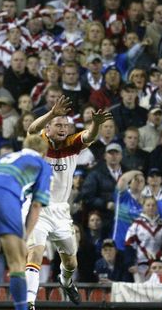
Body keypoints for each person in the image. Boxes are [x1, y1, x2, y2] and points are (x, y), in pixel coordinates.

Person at [24, 96, 113, 308]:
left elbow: (89, 135)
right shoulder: (41, 142)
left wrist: (96, 125)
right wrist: (52, 113)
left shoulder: (72, 144)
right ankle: (28, 301)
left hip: (62, 212)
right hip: (38, 209)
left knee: (71, 262)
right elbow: (31, 130)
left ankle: (65, 280)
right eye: (58, 124)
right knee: (35, 251)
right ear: (50, 125)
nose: (63, 128)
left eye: (66, 125)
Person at [0, 134, 51, 310]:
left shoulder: (7, 157)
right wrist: (25, 236)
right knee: (17, 263)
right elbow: (37, 205)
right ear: (44, 152)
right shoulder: (42, 164)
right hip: (5, 198)